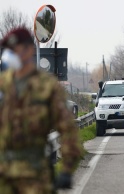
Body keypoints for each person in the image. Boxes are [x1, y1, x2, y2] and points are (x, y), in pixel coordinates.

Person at [0, 28, 81, 194]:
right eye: (7, 51)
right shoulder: (3, 85)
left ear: (29, 50)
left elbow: (67, 129)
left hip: (35, 176)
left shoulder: (47, 87)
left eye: (14, 50)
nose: (9, 55)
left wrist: (66, 169)